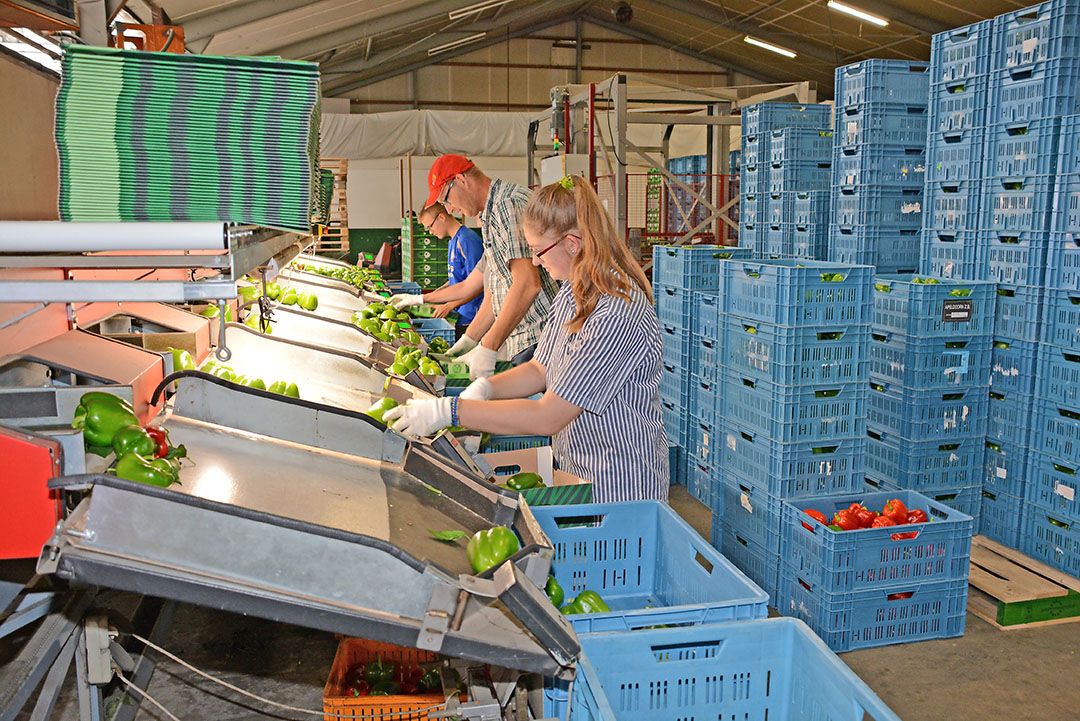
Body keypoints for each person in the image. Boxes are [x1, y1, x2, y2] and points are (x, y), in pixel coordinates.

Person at [385, 176, 669, 503]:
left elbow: (549, 416)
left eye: (538, 251)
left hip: (619, 480)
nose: (535, 261)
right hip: (580, 465)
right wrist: (488, 388)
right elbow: (539, 368)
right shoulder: (572, 292)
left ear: (572, 243)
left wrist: (452, 411)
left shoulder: (615, 313)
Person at [388, 155, 558, 379]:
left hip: (540, 337)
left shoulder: (506, 205)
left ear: (460, 180)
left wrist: (488, 346)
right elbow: (494, 288)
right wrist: (469, 341)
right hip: (524, 338)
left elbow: (527, 284)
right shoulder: (489, 215)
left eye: (447, 199)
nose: (449, 209)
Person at [414, 202, 484, 337]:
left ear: (441, 217)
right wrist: (435, 295)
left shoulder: (467, 240)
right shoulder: (453, 241)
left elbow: (478, 285)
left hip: (472, 317)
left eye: (430, 226)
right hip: (459, 314)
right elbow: (456, 279)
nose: (430, 232)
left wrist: (448, 306)